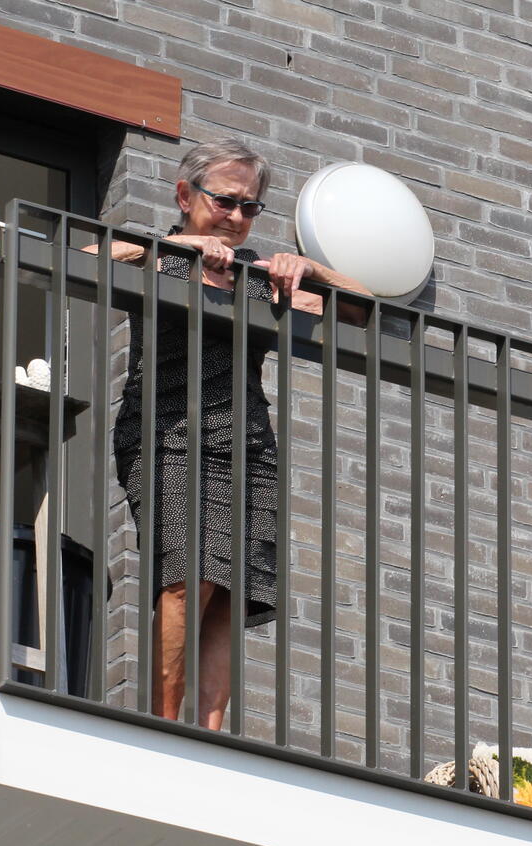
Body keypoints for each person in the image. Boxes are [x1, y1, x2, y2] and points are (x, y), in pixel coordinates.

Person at [96, 139, 371, 729]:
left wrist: (310, 268)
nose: (237, 217)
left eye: (250, 207)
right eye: (225, 201)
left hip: (248, 446)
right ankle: (164, 727)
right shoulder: (160, 256)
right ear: (185, 195)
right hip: (168, 434)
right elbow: (90, 254)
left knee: (229, 589)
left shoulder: (254, 277)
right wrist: (184, 246)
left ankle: (209, 733)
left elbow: (363, 311)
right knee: (185, 576)